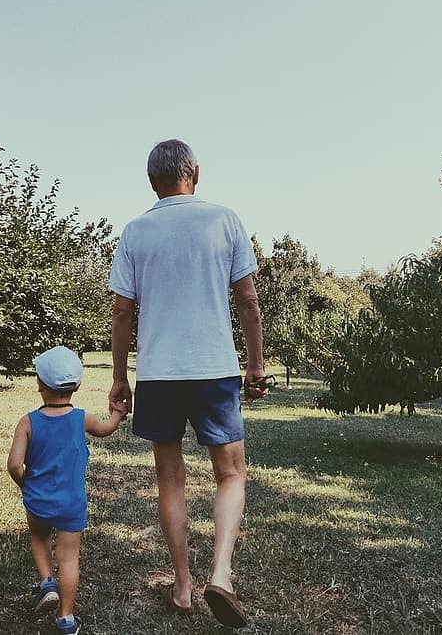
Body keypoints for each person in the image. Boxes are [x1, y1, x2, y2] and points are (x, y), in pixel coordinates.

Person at [107, 139, 267, 628]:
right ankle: (220, 572)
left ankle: (182, 587)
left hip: (158, 371)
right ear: (195, 172)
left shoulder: (136, 231)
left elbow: (121, 312)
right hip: (214, 368)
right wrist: (256, 365)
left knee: (170, 478)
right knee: (231, 472)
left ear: (152, 182)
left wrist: (119, 379)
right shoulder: (225, 220)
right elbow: (248, 301)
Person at [8, 345, 126, 635]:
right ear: (78, 385)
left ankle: (47, 582)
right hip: (72, 503)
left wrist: (28, 485)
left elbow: (13, 465)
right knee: (70, 558)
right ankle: (66, 618)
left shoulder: (29, 421)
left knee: (39, 537)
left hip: (38, 501)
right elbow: (106, 428)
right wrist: (118, 413)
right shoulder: (82, 418)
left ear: (39, 384)